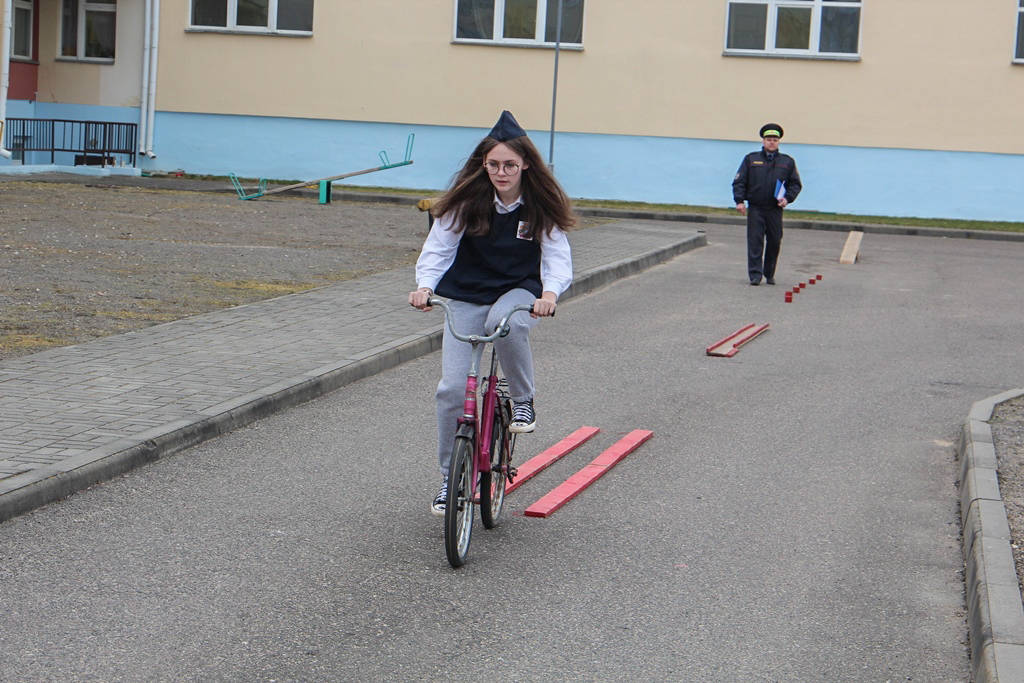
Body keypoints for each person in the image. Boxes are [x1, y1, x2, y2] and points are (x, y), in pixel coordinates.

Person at [408, 110, 575, 516]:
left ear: (525, 165)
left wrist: (549, 293)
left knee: (507, 325)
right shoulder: (466, 202)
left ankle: (522, 399)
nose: (501, 172)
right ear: (483, 164)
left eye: (510, 165)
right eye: (494, 165)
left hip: (518, 291)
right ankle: (450, 480)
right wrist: (424, 286)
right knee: (450, 390)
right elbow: (438, 249)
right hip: (466, 294)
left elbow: (556, 258)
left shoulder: (539, 205)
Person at [732, 123, 802, 286]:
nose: (772, 142)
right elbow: (739, 181)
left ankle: (769, 273)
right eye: (769, 139)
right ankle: (755, 275)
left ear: (779, 142)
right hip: (756, 207)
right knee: (755, 241)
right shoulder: (751, 159)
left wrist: (787, 198)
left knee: (775, 240)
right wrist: (739, 201)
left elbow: (795, 184)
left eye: (775, 140)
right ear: (763, 141)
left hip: (774, 209)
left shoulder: (787, 162)